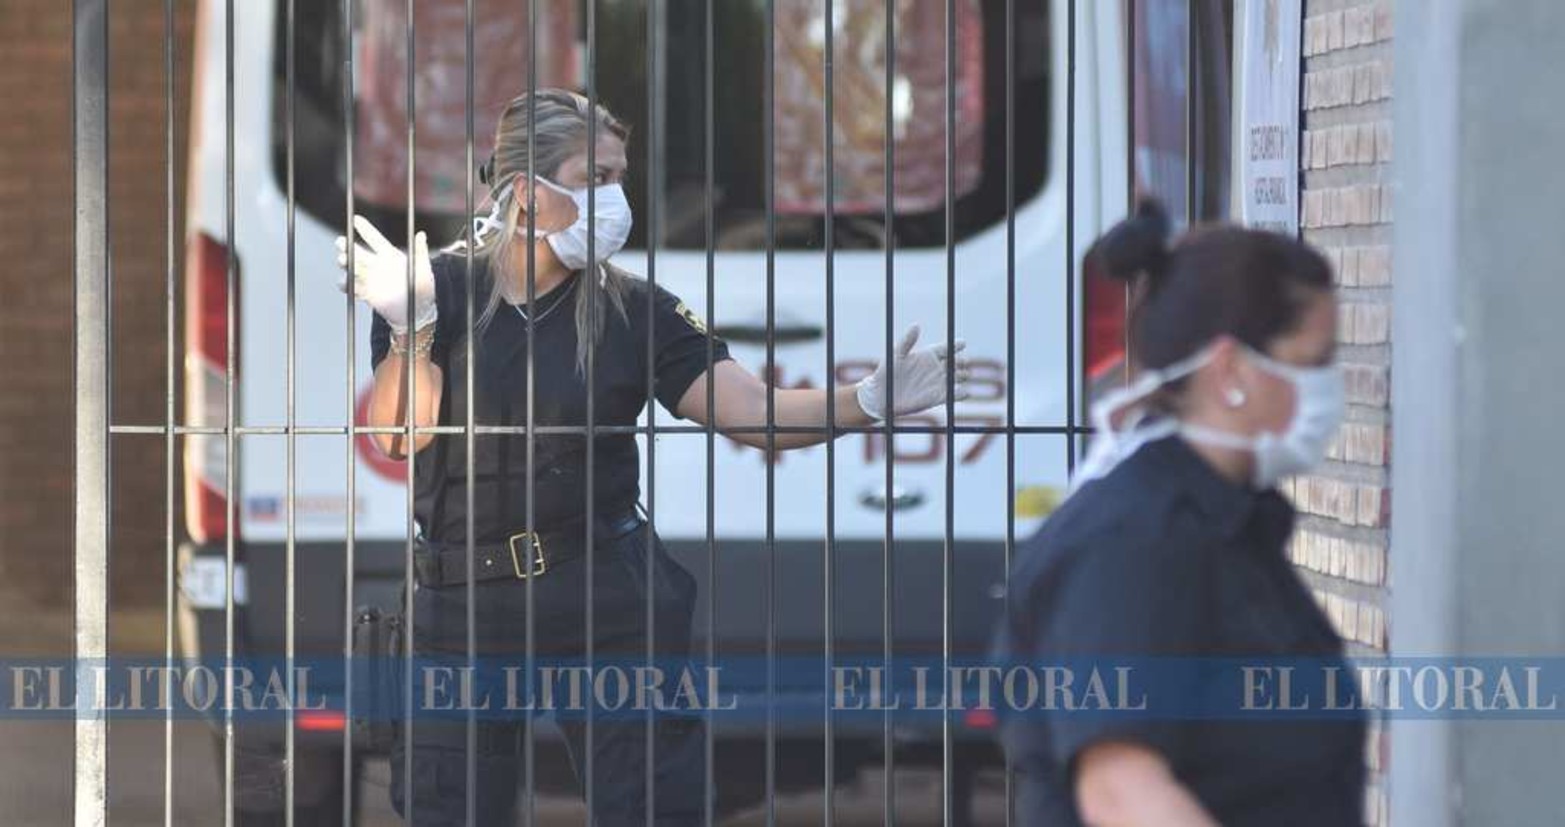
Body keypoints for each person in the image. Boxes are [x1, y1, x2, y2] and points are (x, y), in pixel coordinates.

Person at [335, 88, 971, 825]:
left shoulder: (634, 307)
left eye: (619, 177)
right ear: (526, 193)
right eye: (596, 177)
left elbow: (750, 409)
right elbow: (399, 437)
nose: (615, 198)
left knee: (651, 805)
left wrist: (865, 401)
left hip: (603, 592)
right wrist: (411, 328)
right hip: (461, 600)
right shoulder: (435, 290)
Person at [993, 200, 1366, 826]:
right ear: (1231, 370)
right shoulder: (1134, 541)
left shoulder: (1227, 524)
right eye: (1311, 362)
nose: (1330, 387)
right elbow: (1121, 793)